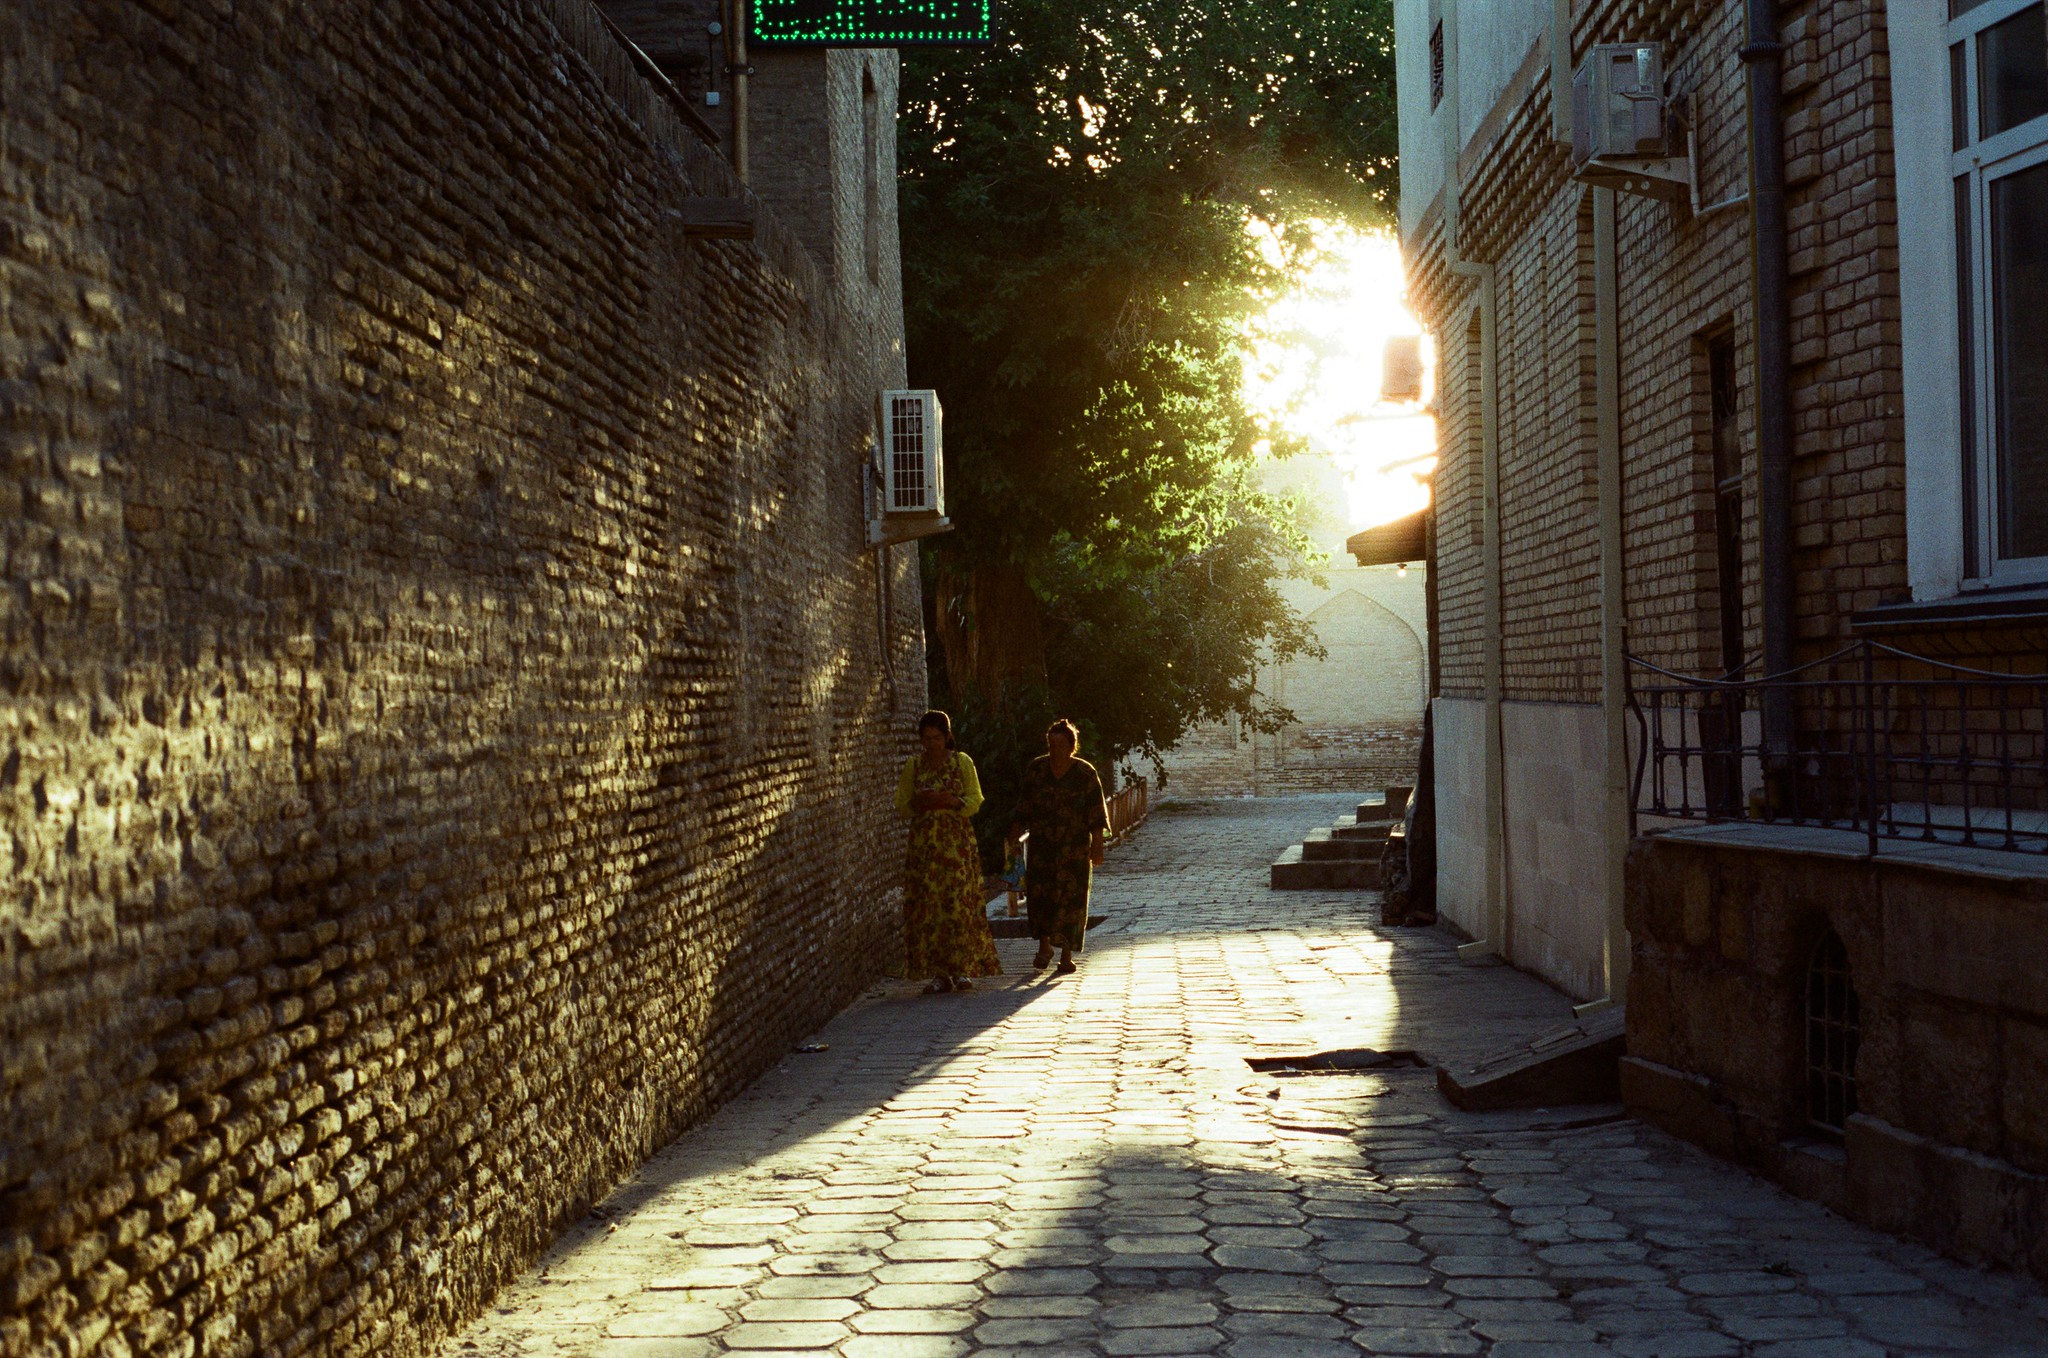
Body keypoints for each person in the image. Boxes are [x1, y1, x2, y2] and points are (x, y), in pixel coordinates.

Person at [895, 710, 1001, 993]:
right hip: (925, 848)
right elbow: (902, 804)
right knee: (931, 907)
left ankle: (963, 968)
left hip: (956, 846)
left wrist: (951, 801)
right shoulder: (914, 767)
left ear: (947, 737)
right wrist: (922, 802)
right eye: (927, 738)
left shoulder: (961, 762)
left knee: (958, 904)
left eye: (937, 738)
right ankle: (938, 972)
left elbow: (975, 799)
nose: (932, 744)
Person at [1009, 718, 1108, 976]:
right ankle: (1044, 947)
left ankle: (1066, 954)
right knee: (1041, 898)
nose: (1055, 751)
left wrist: (1097, 845)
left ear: (1071, 747)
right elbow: (1024, 805)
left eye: (1061, 745)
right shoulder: (1037, 770)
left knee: (1071, 901)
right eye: (1052, 745)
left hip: (1074, 849)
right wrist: (1015, 834)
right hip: (1043, 847)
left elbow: (1096, 814)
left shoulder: (1085, 774)